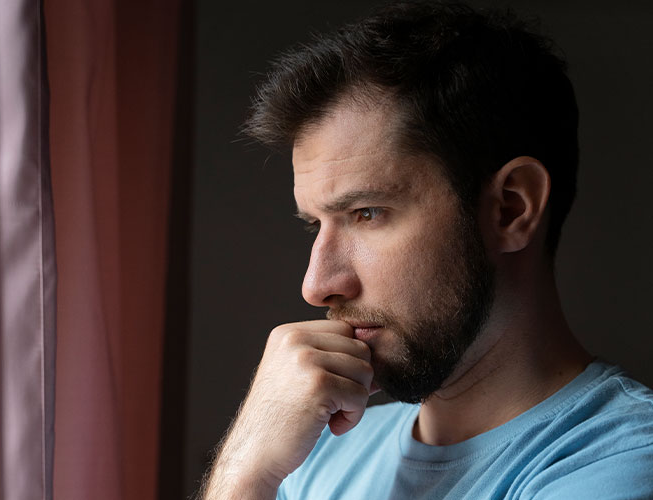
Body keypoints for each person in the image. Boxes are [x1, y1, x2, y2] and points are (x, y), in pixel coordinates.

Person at [198, 2, 653, 498]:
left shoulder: (620, 461)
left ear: (511, 209)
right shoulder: (308, 462)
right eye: (315, 225)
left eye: (366, 214)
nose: (318, 285)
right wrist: (245, 468)